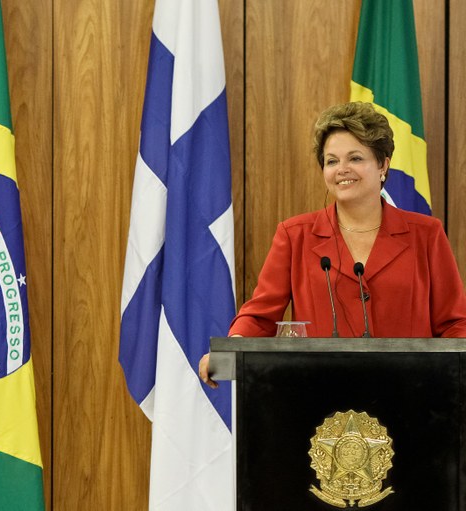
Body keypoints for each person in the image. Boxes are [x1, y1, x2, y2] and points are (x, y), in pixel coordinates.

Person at [199, 101, 466, 386]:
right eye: (332, 161)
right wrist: (233, 347)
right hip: (319, 399)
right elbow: (260, 315)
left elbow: (455, 324)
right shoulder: (295, 235)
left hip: (412, 396)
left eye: (355, 158)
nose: (342, 169)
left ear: (383, 165)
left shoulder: (426, 234)